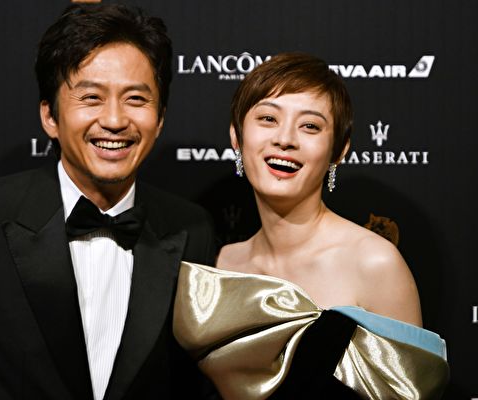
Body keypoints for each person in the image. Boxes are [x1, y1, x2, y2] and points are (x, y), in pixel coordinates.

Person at [0, 4, 216, 400]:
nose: (114, 120)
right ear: (50, 117)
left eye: (136, 99)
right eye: (91, 97)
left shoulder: (191, 229)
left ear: (159, 119)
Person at [173, 53, 449, 399]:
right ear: (237, 137)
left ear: (339, 150)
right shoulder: (222, 264)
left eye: (310, 126)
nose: (285, 139)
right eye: (268, 119)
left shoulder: (375, 263)